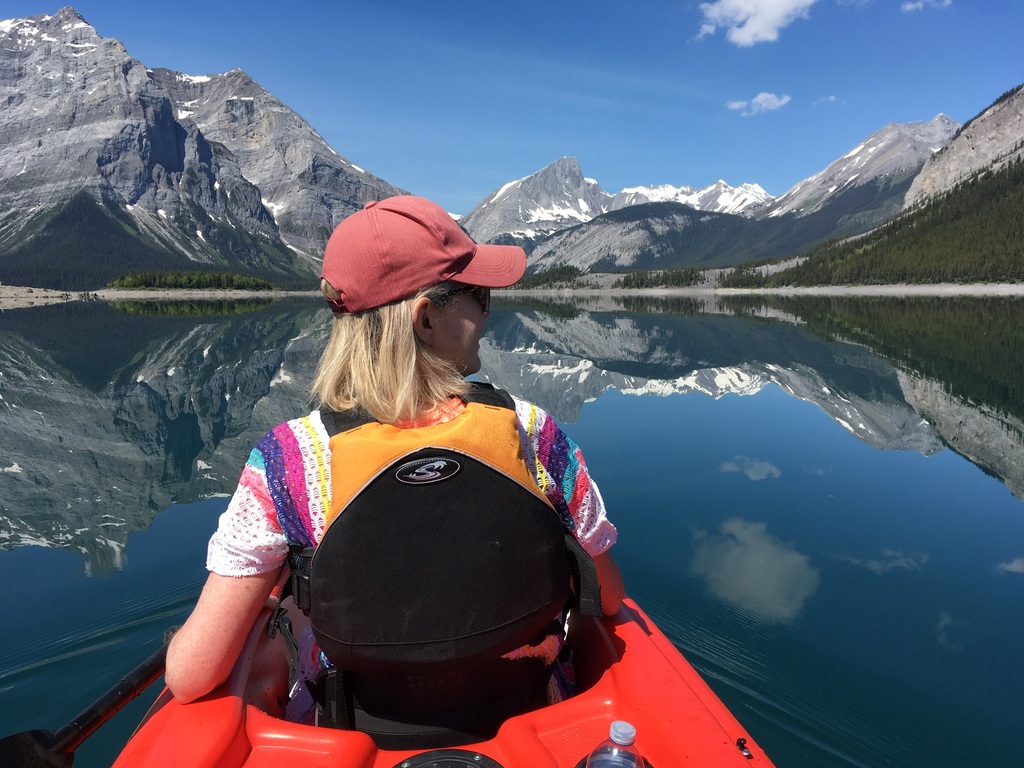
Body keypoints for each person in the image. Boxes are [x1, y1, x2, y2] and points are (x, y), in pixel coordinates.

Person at [165, 195, 624, 743]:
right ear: (426, 318)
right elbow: (610, 596)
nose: (487, 312)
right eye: (477, 295)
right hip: (529, 715)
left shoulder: (289, 461)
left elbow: (191, 676)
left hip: (355, 730)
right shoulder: (533, 434)